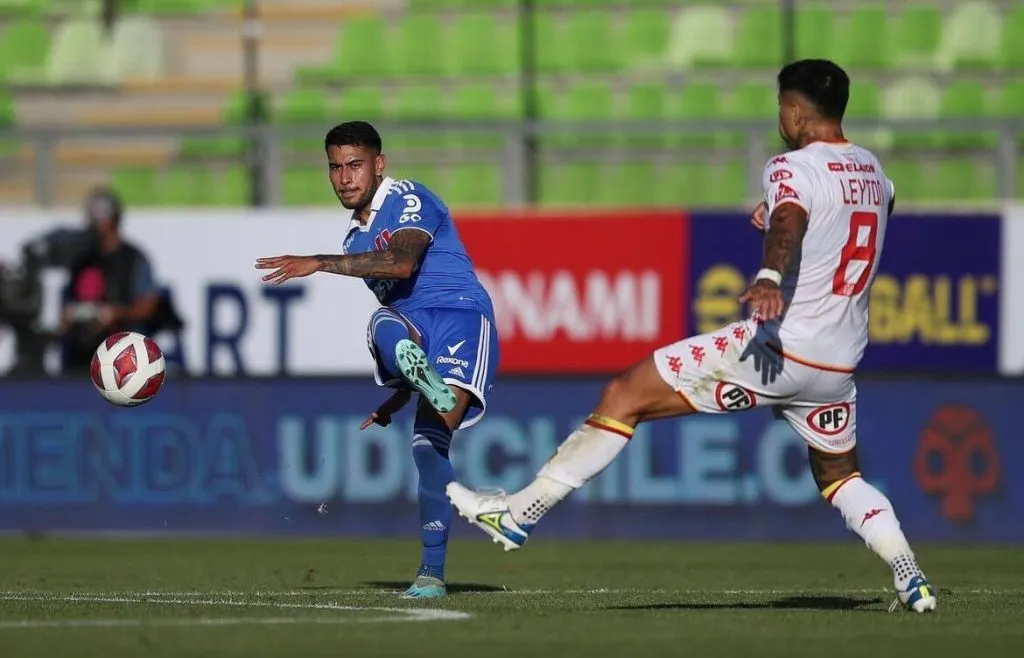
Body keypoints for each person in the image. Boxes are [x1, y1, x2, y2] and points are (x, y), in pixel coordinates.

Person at [446, 60, 937, 614]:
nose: (780, 117)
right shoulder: (873, 170)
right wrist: (793, 213)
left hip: (778, 348)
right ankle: (908, 572)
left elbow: (789, 224)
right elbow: (869, 209)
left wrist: (771, 274)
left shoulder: (790, 167)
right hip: (838, 366)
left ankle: (516, 516)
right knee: (841, 476)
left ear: (796, 111)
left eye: (781, 106)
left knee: (624, 395)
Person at [255, 121, 500, 599]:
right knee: (381, 323)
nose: (345, 178)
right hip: (414, 331)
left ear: (378, 164)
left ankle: (431, 571)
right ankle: (431, 578)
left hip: (460, 319)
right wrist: (398, 397)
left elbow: (402, 263)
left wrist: (318, 262)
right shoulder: (354, 239)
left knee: (429, 444)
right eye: (335, 168)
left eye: (355, 165)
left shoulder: (409, 197)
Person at [62, 187, 160, 374]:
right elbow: (66, 308)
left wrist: (116, 313)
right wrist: (74, 315)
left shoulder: (133, 259)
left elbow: (148, 306)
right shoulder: (81, 260)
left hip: (122, 357)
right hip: (81, 356)